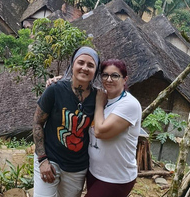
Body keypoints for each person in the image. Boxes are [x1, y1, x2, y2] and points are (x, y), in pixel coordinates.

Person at [33, 46, 100, 197]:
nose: (84, 68)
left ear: (96, 71)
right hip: (50, 159)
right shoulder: (55, 90)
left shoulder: (99, 98)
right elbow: (37, 123)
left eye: (90, 65)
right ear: (72, 65)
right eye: (80, 63)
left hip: (77, 167)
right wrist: (42, 160)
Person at [86, 58, 142, 197]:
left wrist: (99, 104)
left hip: (116, 178)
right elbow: (76, 86)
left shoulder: (129, 104)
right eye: (105, 75)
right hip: (94, 171)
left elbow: (99, 131)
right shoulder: (105, 99)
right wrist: (55, 82)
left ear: (125, 79)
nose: (109, 79)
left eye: (115, 75)